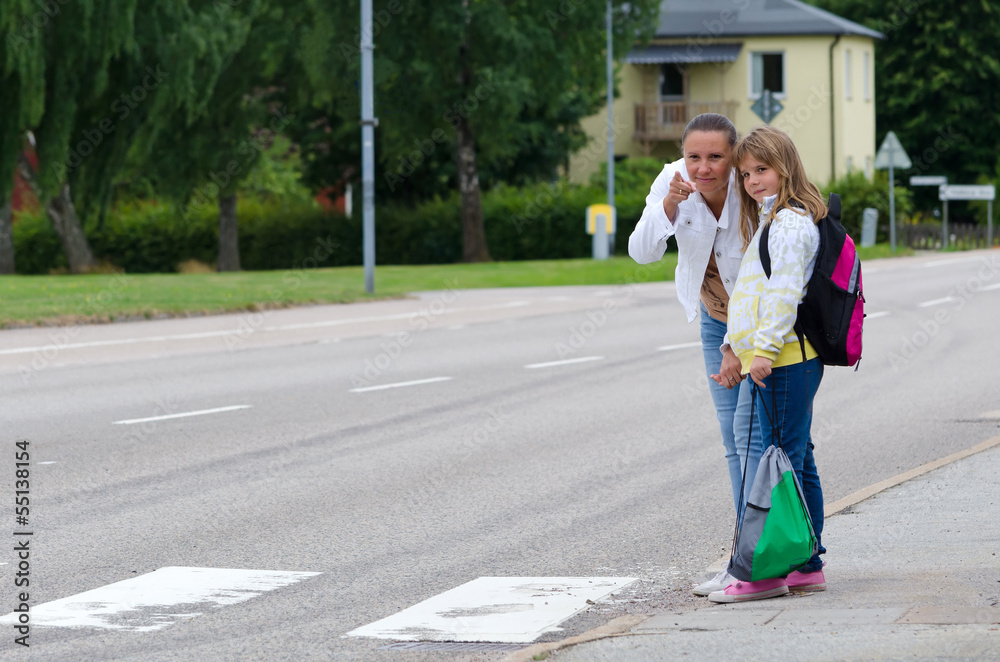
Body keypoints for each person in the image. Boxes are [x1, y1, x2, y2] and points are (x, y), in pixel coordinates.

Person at [628, 113, 762, 596]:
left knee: (767, 438)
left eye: (716, 157)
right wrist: (667, 204)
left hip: (763, 325)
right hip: (713, 318)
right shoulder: (672, 181)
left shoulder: (752, 188)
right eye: (693, 156)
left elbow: (759, 279)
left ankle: (779, 557)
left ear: (733, 156)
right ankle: (747, 557)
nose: (703, 168)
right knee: (735, 440)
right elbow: (641, 252)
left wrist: (735, 345)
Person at [706, 125, 828, 603]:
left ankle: (764, 573)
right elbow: (752, 294)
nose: (754, 180)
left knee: (777, 464)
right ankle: (806, 563)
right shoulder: (770, 219)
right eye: (747, 173)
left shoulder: (791, 224)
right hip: (778, 358)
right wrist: (734, 345)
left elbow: (783, 296)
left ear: (786, 167)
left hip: (786, 360)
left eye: (763, 169)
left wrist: (762, 351)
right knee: (797, 459)